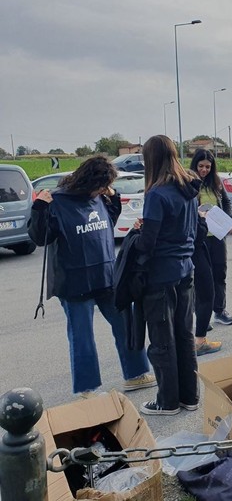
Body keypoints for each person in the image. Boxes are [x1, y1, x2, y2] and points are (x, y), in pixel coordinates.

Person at [28, 156, 155, 397]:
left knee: (125, 324)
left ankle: (136, 373)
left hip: (106, 277)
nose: (102, 190)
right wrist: (40, 208)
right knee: (82, 337)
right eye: (101, 185)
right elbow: (39, 237)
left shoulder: (98, 198)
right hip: (74, 283)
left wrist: (114, 197)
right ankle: (87, 388)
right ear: (89, 180)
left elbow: (109, 223)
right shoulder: (58, 201)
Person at [133, 135, 199, 415]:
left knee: (162, 341)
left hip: (161, 275)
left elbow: (148, 243)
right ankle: (190, 397)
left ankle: (167, 401)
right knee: (185, 336)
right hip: (186, 270)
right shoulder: (188, 188)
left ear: (151, 160)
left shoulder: (156, 194)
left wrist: (138, 233)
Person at [189, 149, 232, 327]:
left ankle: (219, 310)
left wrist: (230, 221)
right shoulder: (189, 182)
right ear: (195, 165)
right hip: (199, 238)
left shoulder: (216, 182)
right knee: (202, 278)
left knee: (219, 273)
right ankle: (202, 316)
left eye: (208, 167)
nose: (204, 170)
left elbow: (226, 202)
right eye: (201, 166)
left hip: (217, 235)